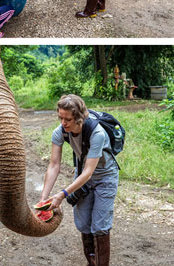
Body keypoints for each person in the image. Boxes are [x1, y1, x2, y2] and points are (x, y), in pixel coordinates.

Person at [40, 94, 119, 266]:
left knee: (100, 225)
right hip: (82, 176)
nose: (63, 123)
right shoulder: (60, 131)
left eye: (67, 119)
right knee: (83, 223)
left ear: (79, 118)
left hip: (105, 177)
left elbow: (88, 172)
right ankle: (92, 262)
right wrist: (44, 198)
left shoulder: (97, 133)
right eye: (60, 117)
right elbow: (54, 165)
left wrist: (62, 195)